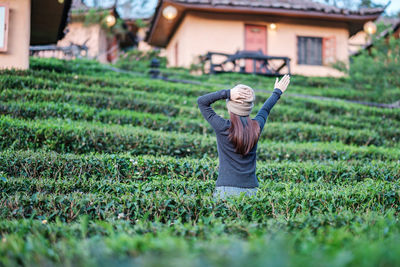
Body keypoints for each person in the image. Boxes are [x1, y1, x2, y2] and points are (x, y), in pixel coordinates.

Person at [197, 75, 291, 199]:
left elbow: (202, 102)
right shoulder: (256, 126)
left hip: (226, 189)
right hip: (252, 190)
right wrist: (277, 92)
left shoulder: (223, 127)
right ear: (249, 107)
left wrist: (228, 93)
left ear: (230, 105)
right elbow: (265, 109)